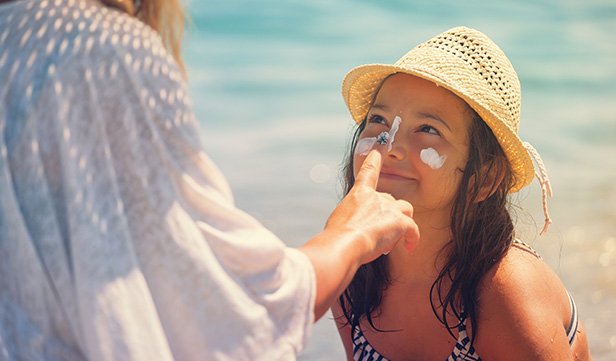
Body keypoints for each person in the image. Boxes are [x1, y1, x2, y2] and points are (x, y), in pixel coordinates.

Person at [0, 0, 419, 360]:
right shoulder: (105, 50)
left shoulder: (18, 38)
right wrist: (351, 234)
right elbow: (227, 308)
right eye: (378, 122)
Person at [332, 26, 593, 361]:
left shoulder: (505, 290)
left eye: (428, 129)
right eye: (379, 119)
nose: (390, 145)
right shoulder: (352, 270)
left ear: (485, 178)